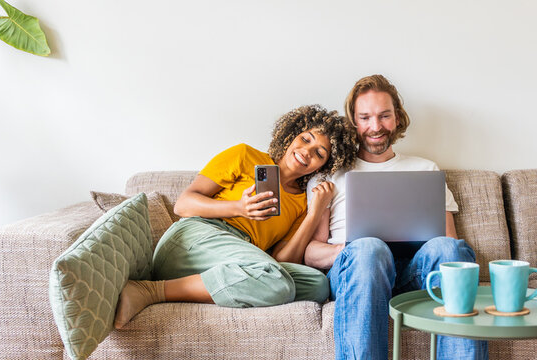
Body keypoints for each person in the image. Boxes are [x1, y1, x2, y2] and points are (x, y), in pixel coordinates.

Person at [113, 105, 358, 329]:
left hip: (240, 257)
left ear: (323, 166)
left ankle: (224, 285)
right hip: (195, 238)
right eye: (305, 139)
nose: (307, 151)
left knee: (317, 284)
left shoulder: (300, 202)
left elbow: (284, 259)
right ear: (292, 134)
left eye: (319, 152)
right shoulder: (245, 156)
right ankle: (150, 291)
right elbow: (184, 204)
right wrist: (239, 208)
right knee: (276, 281)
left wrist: (314, 214)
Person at [304, 75, 488, 359]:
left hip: (412, 273)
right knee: (369, 248)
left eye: (384, 116)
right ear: (353, 122)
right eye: (365, 117)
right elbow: (311, 253)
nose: (375, 127)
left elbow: (448, 243)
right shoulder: (332, 174)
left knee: (449, 248)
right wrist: (350, 248)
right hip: (357, 272)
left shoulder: (426, 170)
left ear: (398, 118)